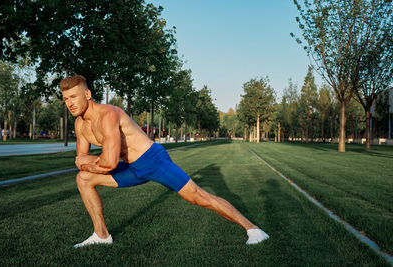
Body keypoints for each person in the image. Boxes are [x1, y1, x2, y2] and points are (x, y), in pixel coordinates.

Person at [60, 75, 269, 248]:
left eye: (73, 97)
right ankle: (102, 235)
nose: (69, 103)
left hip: (153, 160)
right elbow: (81, 159)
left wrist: (88, 162)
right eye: (65, 99)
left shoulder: (108, 115)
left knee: (198, 197)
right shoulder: (80, 125)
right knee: (84, 179)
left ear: (87, 94)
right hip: (133, 168)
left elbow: (108, 163)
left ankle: (253, 230)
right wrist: (88, 163)